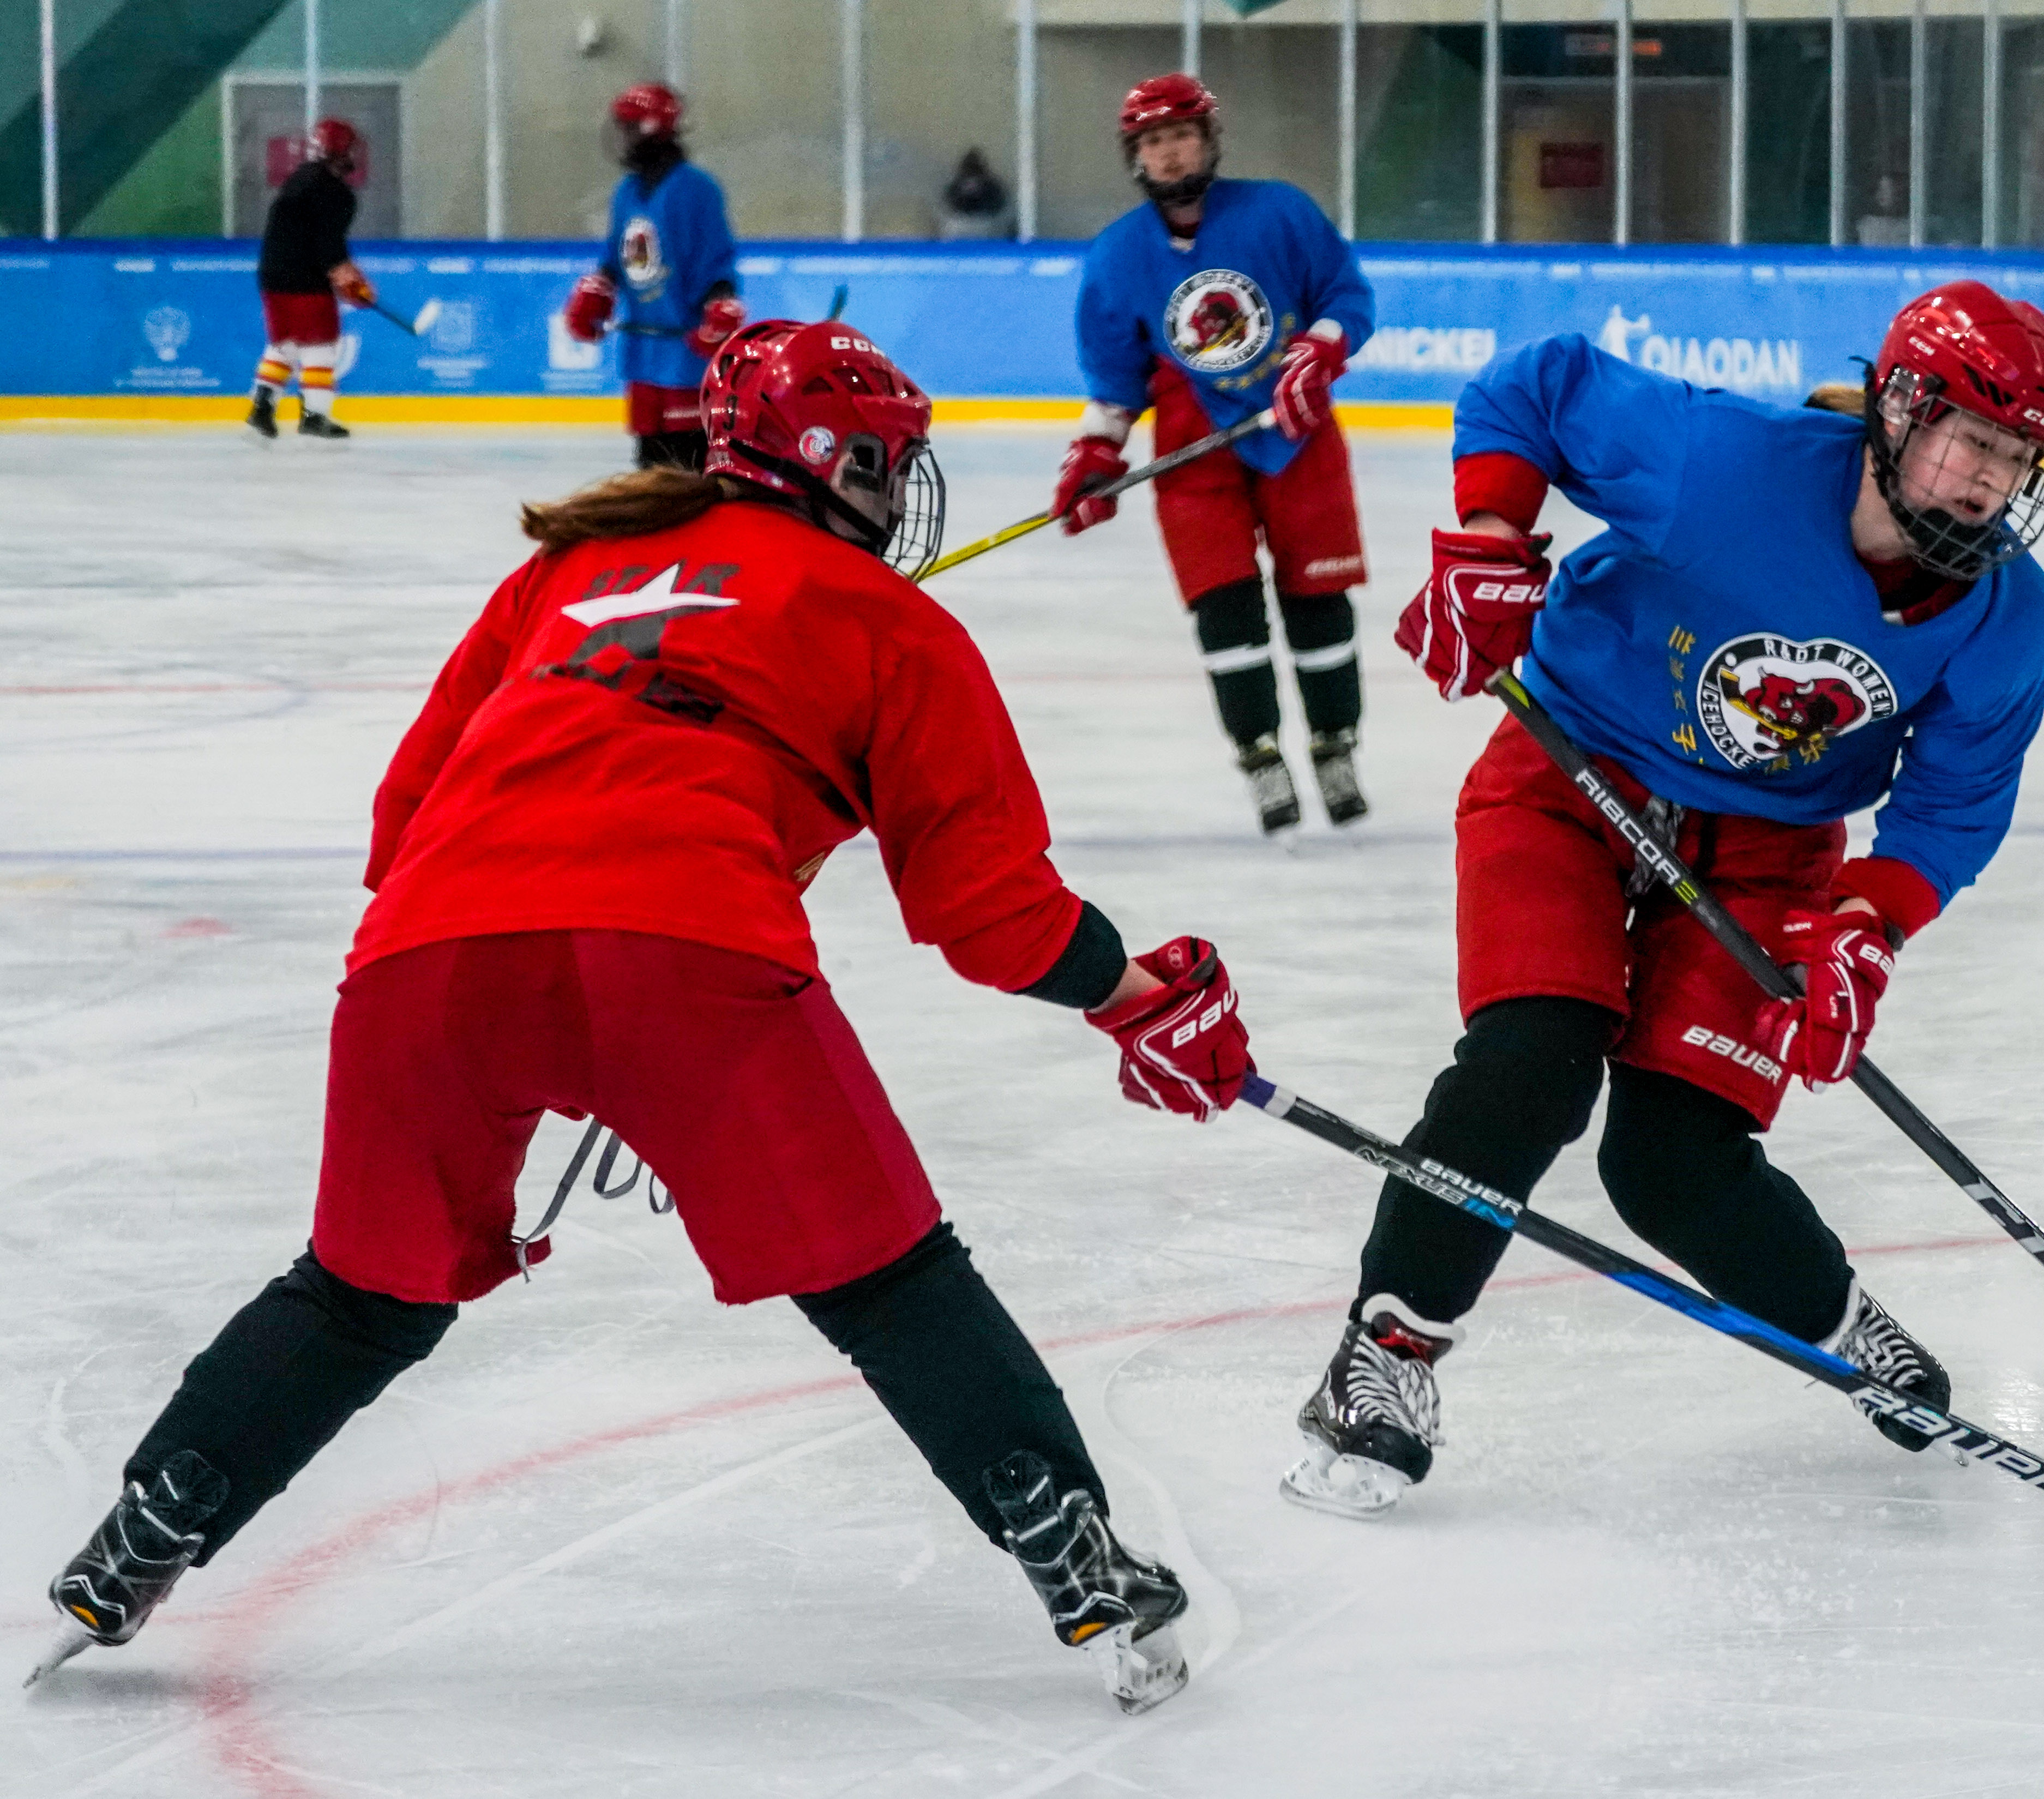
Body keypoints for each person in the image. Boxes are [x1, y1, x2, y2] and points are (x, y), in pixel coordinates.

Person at [32, 320, 1253, 1717]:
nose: (903, 481)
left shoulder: (561, 572)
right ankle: (1074, 1555)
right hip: (691, 964)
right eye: (885, 457)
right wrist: (1133, 992)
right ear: (821, 458)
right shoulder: (894, 621)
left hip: (425, 958)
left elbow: (399, 823)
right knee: (887, 1276)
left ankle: (138, 1539)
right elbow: (994, 918)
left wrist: (559, 953)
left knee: (360, 1293)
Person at [1283, 281, 2044, 1519]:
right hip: (1569, 771)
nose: (1991, 483)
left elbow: (1952, 804)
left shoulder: (2006, 620)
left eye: (2019, 459)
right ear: (1901, 406)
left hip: (1768, 851)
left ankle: (1838, 1319)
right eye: (1973, 440)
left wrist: (1870, 926)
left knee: (1674, 1161)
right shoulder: (1727, 467)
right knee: (1529, 1065)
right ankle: (1383, 1357)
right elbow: (1532, 387)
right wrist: (1492, 543)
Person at [1059, 73, 1380, 837]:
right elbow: (1113, 380)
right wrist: (1097, 454)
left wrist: (1320, 353)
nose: (1169, 155)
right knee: (1224, 607)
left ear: (1208, 140)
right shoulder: (1116, 257)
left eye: (1181, 137)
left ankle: (1336, 745)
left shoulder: (1280, 212)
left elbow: (1348, 297)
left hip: (1295, 431)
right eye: (1153, 143)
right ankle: (1261, 755)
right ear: (1135, 157)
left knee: (1318, 601)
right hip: (1191, 446)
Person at [563, 83, 743, 470]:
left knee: (689, 466)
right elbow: (616, 256)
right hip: (643, 357)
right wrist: (598, 292)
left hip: (687, 358)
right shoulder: (626, 191)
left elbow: (716, 260)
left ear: (651, 129)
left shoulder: (697, 190)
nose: (622, 138)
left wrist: (720, 305)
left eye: (630, 128)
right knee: (649, 465)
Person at [247, 118, 374, 442]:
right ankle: (315, 415)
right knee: (319, 346)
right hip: (306, 281)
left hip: (272, 276)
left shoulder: (299, 178)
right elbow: (328, 246)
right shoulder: (336, 193)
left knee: (285, 344)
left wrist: (347, 278)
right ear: (342, 152)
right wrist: (352, 282)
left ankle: (261, 407)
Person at [939, 147, 1015, 240]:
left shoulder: (992, 186)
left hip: (987, 224)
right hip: (961, 224)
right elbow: (949, 205)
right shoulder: (955, 186)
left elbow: (998, 205)